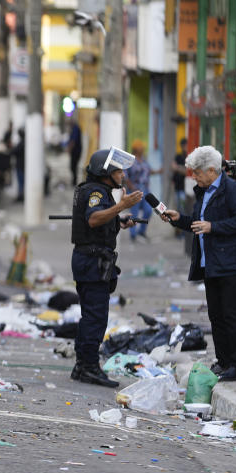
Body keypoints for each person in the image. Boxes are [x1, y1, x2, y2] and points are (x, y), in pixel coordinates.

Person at [161, 145, 236, 382]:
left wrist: (214, 227)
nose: (194, 177)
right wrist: (179, 219)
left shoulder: (231, 189)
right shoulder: (203, 192)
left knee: (231, 317)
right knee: (216, 316)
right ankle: (223, 361)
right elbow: (197, 223)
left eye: (198, 173)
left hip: (232, 265)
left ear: (212, 170)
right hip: (211, 265)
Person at [71, 147, 143, 387]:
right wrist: (120, 207)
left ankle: (82, 365)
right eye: (119, 171)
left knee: (90, 316)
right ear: (106, 172)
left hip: (90, 260)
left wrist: (117, 220)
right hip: (92, 261)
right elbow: (93, 218)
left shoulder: (97, 191)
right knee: (96, 317)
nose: (122, 175)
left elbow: (100, 218)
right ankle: (89, 367)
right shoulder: (95, 192)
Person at [172, 138, 189, 215]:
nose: (184, 147)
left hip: (185, 186)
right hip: (177, 185)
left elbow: (187, 172)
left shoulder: (189, 157)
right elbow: (173, 167)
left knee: (183, 206)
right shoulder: (178, 156)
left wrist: (178, 168)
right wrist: (180, 169)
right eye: (183, 146)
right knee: (178, 206)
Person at [66, 118, 82, 184]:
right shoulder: (74, 128)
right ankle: (74, 180)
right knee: (73, 166)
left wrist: (69, 149)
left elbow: (73, 141)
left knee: (73, 166)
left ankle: (74, 181)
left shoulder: (75, 129)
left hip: (76, 151)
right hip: (75, 151)